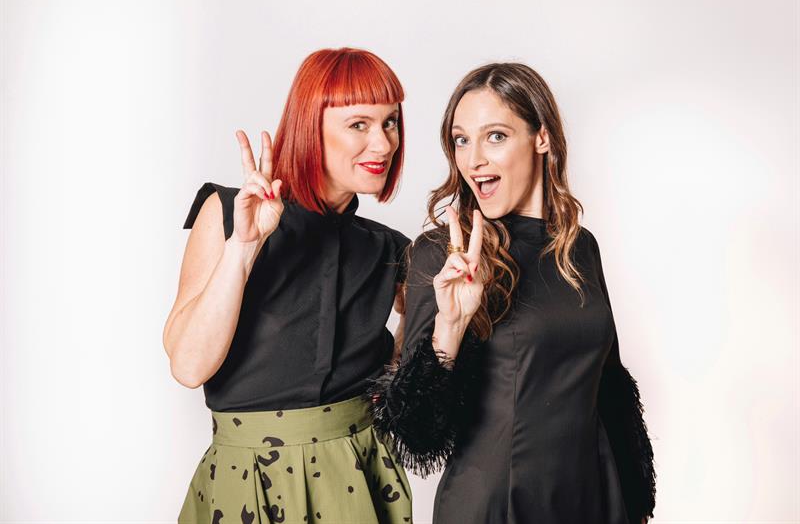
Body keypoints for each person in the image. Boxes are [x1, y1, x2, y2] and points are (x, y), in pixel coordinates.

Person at [369, 62, 656, 524]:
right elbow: (416, 433)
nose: (473, 160)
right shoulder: (443, 252)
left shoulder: (578, 246)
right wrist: (450, 325)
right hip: (499, 506)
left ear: (542, 137)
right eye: (461, 140)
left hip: (594, 497)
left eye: (495, 136)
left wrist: (636, 501)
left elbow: (611, 386)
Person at [164, 47, 413, 524]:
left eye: (390, 123)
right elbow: (189, 366)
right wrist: (244, 247)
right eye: (359, 124)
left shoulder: (389, 251)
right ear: (309, 127)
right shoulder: (229, 212)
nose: (383, 144)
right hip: (246, 480)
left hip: (357, 475)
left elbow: (410, 382)